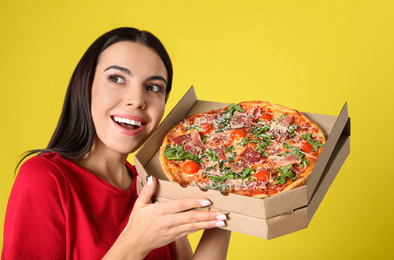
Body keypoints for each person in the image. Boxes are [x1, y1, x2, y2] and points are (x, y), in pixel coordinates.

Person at [2, 27, 231, 259]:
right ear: (86, 85)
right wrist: (135, 244)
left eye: (153, 87)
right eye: (117, 78)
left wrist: (230, 202)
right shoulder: (45, 178)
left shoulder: (154, 187)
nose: (137, 100)